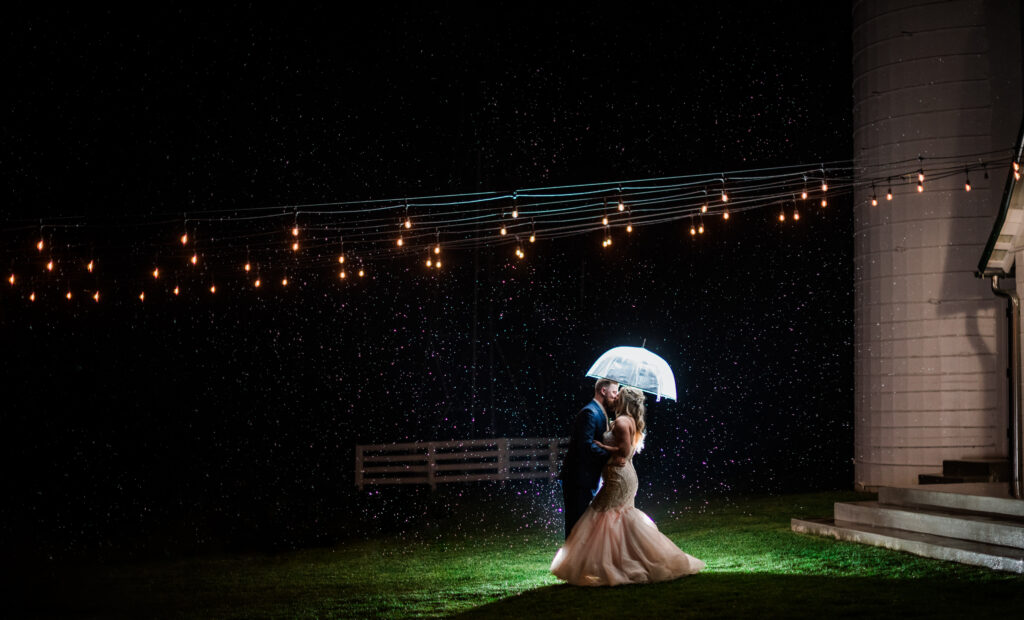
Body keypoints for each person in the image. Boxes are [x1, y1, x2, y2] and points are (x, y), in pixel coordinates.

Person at [550, 386, 705, 586]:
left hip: (619, 476)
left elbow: (623, 452)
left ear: (623, 401)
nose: (615, 398)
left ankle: (608, 565)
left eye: (618, 395)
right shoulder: (624, 420)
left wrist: (603, 446)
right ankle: (615, 561)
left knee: (605, 515)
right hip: (620, 475)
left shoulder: (622, 421)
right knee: (616, 518)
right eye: (614, 393)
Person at [558, 378, 619, 539]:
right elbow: (585, 446)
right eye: (614, 392)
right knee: (576, 523)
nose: (616, 396)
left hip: (589, 477)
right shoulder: (590, 412)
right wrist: (612, 455)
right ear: (603, 391)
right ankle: (571, 562)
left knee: (588, 525)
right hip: (578, 479)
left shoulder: (602, 413)